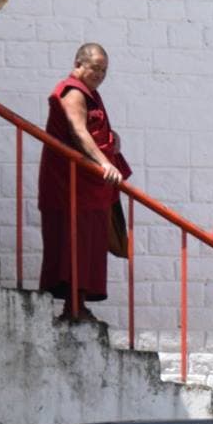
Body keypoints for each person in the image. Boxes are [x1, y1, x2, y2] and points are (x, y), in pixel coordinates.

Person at [38, 43, 130, 318]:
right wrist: (103, 163)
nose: (100, 74)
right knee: (73, 242)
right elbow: (78, 132)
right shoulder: (73, 92)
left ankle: (79, 303)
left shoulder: (91, 94)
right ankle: (72, 306)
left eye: (104, 70)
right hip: (70, 181)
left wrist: (113, 140)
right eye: (95, 68)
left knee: (89, 242)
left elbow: (94, 129)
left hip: (88, 182)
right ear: (78, 64)